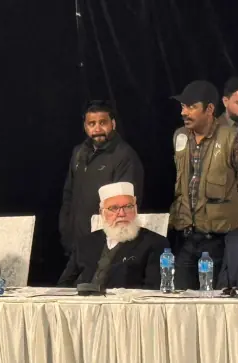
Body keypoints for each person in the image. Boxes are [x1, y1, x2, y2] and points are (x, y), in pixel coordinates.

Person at [169, 80, 238, 290]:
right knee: (179, 299)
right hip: (186, 238)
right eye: (183, 106)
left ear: (209, 109)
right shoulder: (179, 136)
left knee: (216, 302)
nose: (184, 112)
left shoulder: (233, 139)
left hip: (220, 239)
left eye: (191, 107)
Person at [59, 100, 144, 254]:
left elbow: (126, 205)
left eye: (102, 122)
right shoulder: (78, 153)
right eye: (92, 124)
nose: (97, 128)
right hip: (75, 244)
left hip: (105, 245)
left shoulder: (124, 155)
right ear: (85, 127)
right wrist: (65, 228)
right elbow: (68, 195)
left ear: (113, 124)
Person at [58, 182, 168, 289]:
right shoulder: (85, 243)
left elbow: (153, 291)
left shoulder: (154, 243)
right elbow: (63, 286)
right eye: (114, 208)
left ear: (135, 209)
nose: (121, 214)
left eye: (128, 206)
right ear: (102, 213)